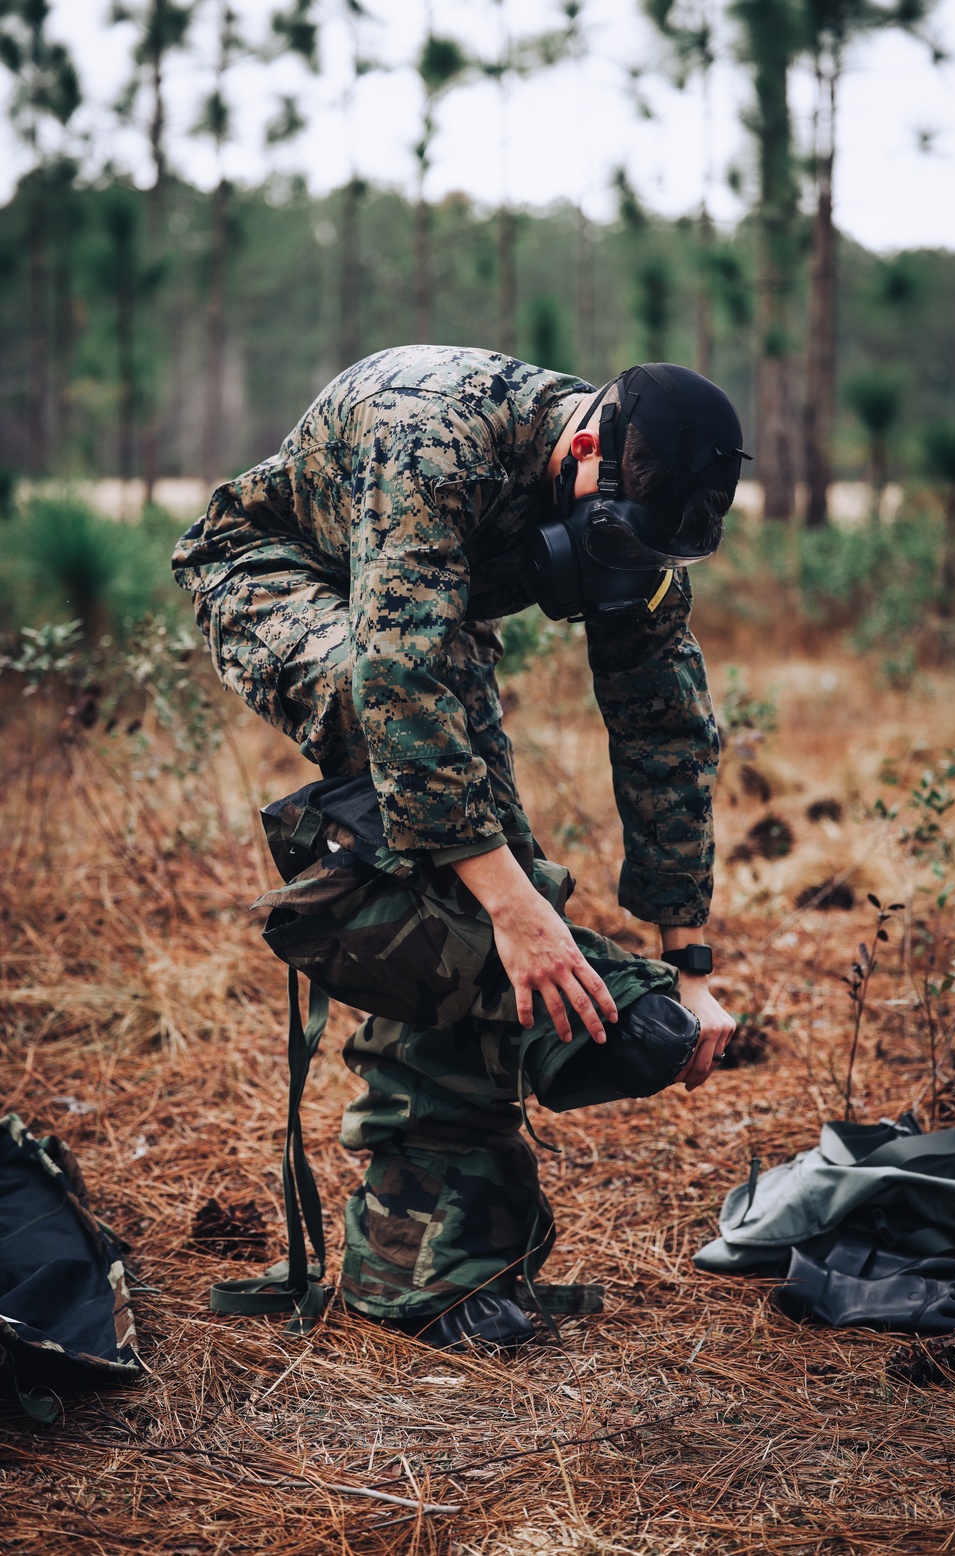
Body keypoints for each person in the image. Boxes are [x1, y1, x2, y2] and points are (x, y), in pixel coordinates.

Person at [172, 345, 747, 1349]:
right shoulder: (433, 437)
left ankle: (476, 1193)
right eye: (610, 533)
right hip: (277, 571)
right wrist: (515, 910)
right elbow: (400, 683)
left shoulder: (638, 519)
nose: (615, 559)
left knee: (481, 842)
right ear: (585, 444)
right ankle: (542, 1023)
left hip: (420, 616)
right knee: (417, 767)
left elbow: (664, 726)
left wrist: (691, 964)